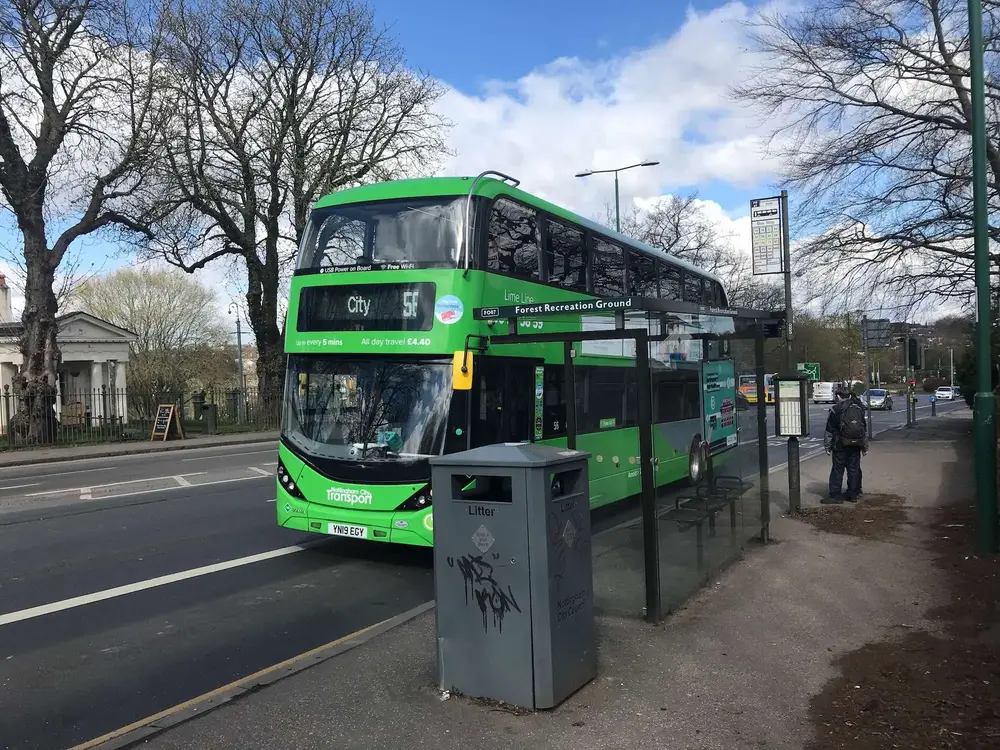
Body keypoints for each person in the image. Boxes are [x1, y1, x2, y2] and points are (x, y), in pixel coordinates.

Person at [823, 384, 868, 504]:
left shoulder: (835, 409)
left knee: (838, 469)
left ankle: (835, 495)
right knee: (854, 469)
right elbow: (863, 428)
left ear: (838, 396)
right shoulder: (858, 408)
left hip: (840, 445)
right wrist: (864, 446)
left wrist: (827, 447)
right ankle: (853, 494)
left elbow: (829, 430)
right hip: (856, 444)